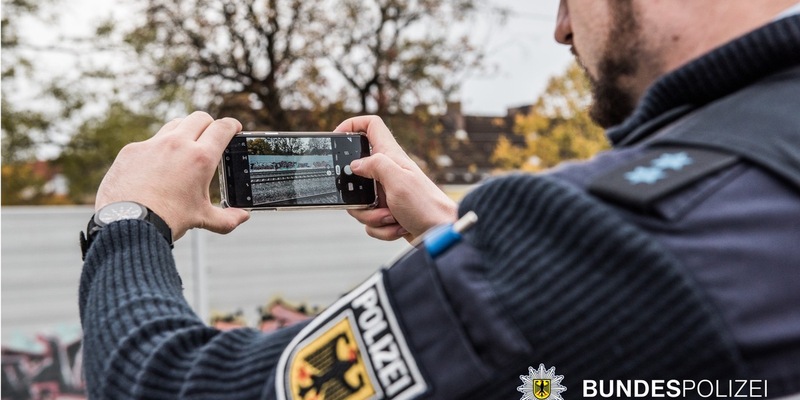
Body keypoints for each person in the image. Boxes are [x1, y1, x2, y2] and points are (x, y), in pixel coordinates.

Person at [79, 1, 800, 399]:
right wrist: (458, 233)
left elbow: (174, 386)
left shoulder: (617, 234)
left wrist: (129, 219)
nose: (561, 27)